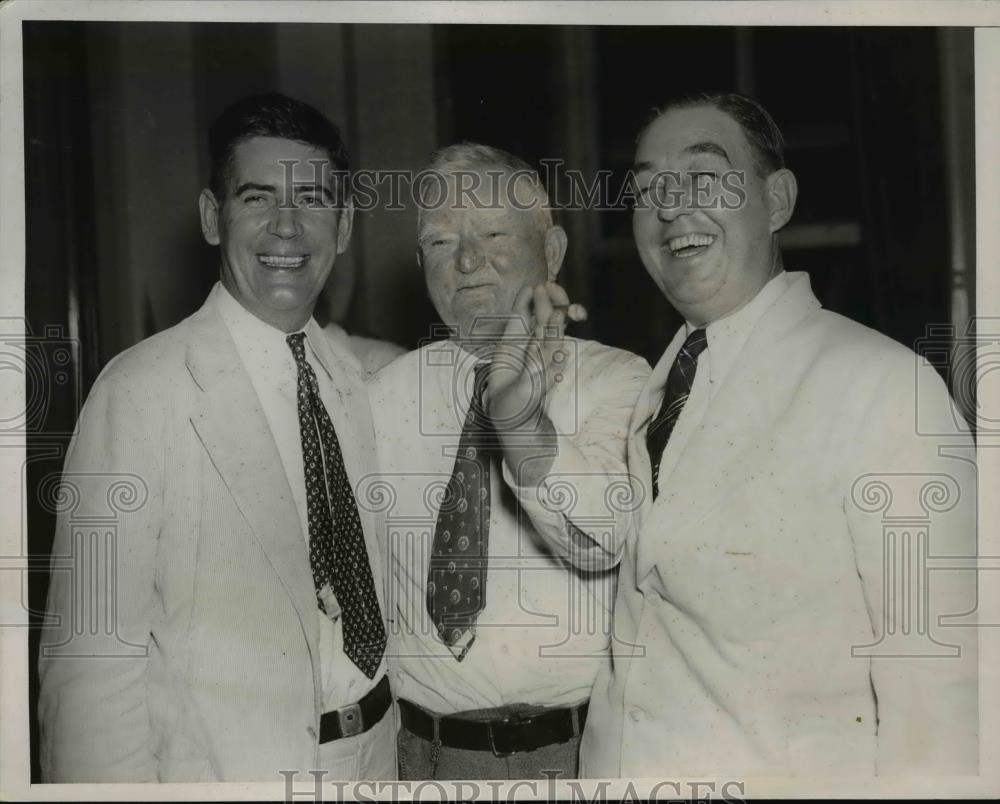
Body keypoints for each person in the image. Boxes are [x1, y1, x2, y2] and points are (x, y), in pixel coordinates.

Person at [581, 93, 978, 777]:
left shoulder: (884, 386)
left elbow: (943, 694)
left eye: (705, 177)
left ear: (779, 202)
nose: (672, 207)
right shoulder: (659, 387)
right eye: (648, 189)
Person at [38, 93, 395, 782]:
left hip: (374, 764)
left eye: (314, 200)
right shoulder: (139, 393)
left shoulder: (354, 379)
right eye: (257, 198)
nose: (287, 228)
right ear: (212, 217)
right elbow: (89, 673)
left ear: (345, 225)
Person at [367, 143, 650, 780]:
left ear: (550, 251)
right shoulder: (380, 399)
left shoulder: (619, 381)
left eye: (494, 232)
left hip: (575, 759)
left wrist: (519, 421)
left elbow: (598, 541)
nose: (467, 262)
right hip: (424, 761)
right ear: (420, 265)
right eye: (441, 243)